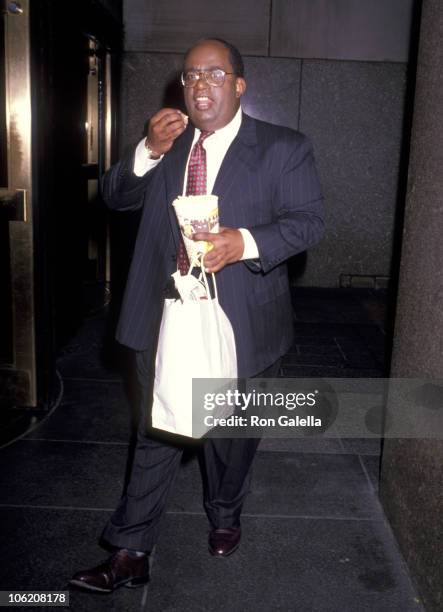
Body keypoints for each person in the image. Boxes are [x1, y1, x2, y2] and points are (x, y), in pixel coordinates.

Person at [70, 38, 324, 593]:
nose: (199, 84)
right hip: (164, 313)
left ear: (238, 85)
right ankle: (131, 549)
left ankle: (225, 510)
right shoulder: (169, 144)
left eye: (214, 73)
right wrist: (147, 150)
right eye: (190, 76)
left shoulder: (284, 147)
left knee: (230, 438)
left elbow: (308, 223)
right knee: (157, 430)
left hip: (241, 319)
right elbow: (114, 196)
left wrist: (247, 242)